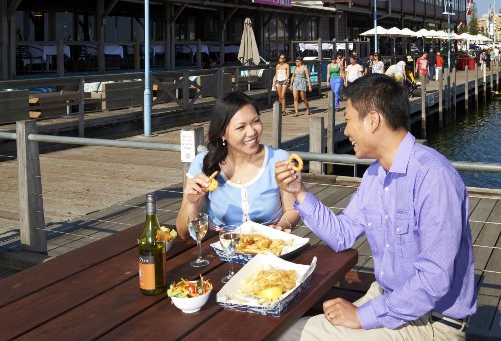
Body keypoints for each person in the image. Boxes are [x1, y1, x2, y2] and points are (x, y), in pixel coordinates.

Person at [275, 75, 476, 340]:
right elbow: (342, 234)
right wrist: (299, 193)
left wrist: (361, 316)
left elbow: (434, 280)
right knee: (287, 328)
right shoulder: (375, 174)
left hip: (433, 323)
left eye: (347, 119)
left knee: (291, 334)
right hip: (387, 300)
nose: (345, 131)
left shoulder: (433, 175)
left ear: (372, 120)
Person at [176, 92, 299, 237]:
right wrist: (192, 203)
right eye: (241, 127)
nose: (252, 131)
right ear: (222, 133)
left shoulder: (280, 160)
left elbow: (292, 210)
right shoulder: (202, 163)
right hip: (221, 245)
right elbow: (184, 234)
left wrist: (280, 227)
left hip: (269, 244)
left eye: (256, 121)